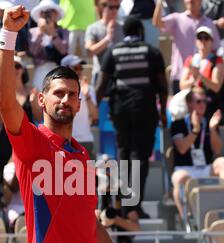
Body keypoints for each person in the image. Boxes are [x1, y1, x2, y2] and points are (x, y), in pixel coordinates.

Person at [0, 5, 144, 243]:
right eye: (58, 93)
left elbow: (89, 224)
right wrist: (8, 37)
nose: (65, 99)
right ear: (41, 99)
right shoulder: (31, 141)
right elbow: (3, 100)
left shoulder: (82, 156)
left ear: (80, 103)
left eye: (72, 94)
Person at [96, 16, 168, 219]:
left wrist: (94, 112)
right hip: (144, 108)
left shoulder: (114, 51)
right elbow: (162, 86)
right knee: (139, 156)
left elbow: (101, 85)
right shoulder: (151, 52)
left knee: (125, 154)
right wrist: (162, 112)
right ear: (140, 31)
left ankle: (126, 205)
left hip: (120, 110)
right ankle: (133, 206)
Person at [170, 87, 224, 218]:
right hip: (186, 168)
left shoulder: (209, 123)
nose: (203, 105)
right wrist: (195, 130)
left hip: (205, 167)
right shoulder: (178, 124)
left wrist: (212, 129)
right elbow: (182, 148)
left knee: (222, 162)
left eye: (205, 101)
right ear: (189, 104)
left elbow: (217, 150)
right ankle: (187, 219)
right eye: (199, 101)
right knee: (179, 177)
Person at [153, 0, 221, 94]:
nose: (191, 1)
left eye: (205, 38)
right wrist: (159, 3)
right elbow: (157, 23)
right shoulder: (177, 18)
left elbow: (216, 49)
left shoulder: (209, 23)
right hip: (179, 76)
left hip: (203, 80)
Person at [0, 55, 42, 178]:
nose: (14, 69)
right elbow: (1, 120)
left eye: (17, 66)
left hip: (27, 139)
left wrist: (33, 104)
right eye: (10, 66)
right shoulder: (1, 93)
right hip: (7, 139)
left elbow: (38, 118)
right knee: (6, 177)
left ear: (23, 70)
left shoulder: (32, 91)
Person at [179, 26, 224, 120]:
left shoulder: (218, 60)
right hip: (192, 107)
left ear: (211, 41)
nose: (203, 41)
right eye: (200, 38)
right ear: (196, 41)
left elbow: (216, 87)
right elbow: (182, 85)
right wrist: (193, 80)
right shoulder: (191, 60)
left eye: (206, 38)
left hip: (209, 106)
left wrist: (199, 76)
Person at [60, 54, 98, 159]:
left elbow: (95, 117)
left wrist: (87, 96)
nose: (79, 71)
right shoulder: (57, 91)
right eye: (75, 68)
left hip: (85, 141)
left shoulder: (88, 89)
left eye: (80, 68)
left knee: (88, 176)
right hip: (64, 142)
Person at [28, 0, 69, 91]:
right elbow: (33, 52)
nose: (47, 15)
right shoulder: (33, 32)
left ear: (56, 14)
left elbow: (64, 51)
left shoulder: (63, 32)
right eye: (44, 12)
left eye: (51, 11)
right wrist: (40, 33)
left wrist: (53, 34)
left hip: (58, 70)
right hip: (40, 70)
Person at [85, 0, 124, 87]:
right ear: (102, 7)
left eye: (117, 7)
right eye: (111, 7)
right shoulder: (93, 28)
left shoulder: (123, 27)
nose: (115, 10)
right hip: (101, 75)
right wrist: (107, 38)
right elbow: (89, 51)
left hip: (120, 75)